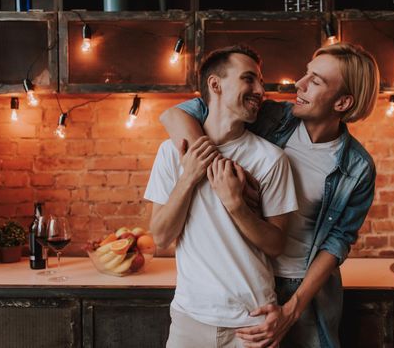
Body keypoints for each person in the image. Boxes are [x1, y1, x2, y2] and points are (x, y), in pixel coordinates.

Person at [160, 42, 380, 348]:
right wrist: (218, 170)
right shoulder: (271, 115)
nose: (298, 84)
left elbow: (338, 242)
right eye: (306, 74)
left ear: (342, 102)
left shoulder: (357, 168)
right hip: (250, 279)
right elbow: (177, 114)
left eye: (315, 81)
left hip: (304, 290)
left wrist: (292, 309)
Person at [145, 45, 298, 347]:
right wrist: (188, 177)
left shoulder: (271, 159)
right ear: (215, 85)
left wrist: (236, 204)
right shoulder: (170, 153)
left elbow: (276, 244)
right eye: (248, 79)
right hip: (189, 321)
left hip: (251, 326)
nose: (259, 90)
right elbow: (161, 237)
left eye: (260, 81)